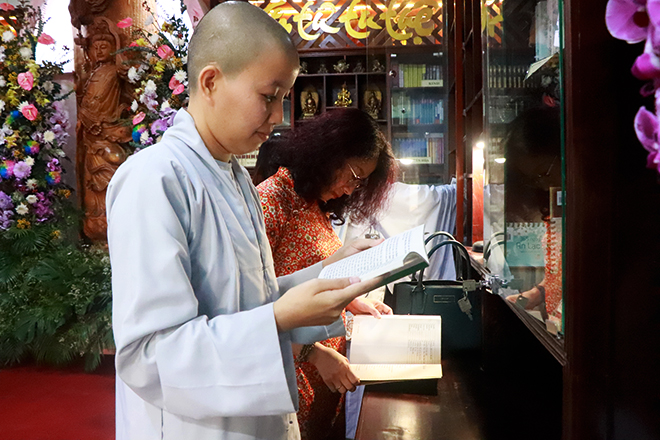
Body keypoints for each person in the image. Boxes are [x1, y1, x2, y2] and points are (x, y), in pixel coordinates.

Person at [106, 3, 381, 440]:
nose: (277, 118)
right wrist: (275, 319)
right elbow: (149, 354)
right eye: (268, 96)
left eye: (284, 99)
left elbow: (248, 299)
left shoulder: (234, 176)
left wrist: (333, 271)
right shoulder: (154, 179)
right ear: (211, 81)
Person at [256, 108, 397, 440]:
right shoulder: (271, 202)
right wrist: (312, 354)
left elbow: (313, 278)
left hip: (326, 380)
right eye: (353, 174)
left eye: (361, 182)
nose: (350, 190)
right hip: (293, 379)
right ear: (327, 153)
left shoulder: (313, 206)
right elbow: (251, 311)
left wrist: (352, 302)